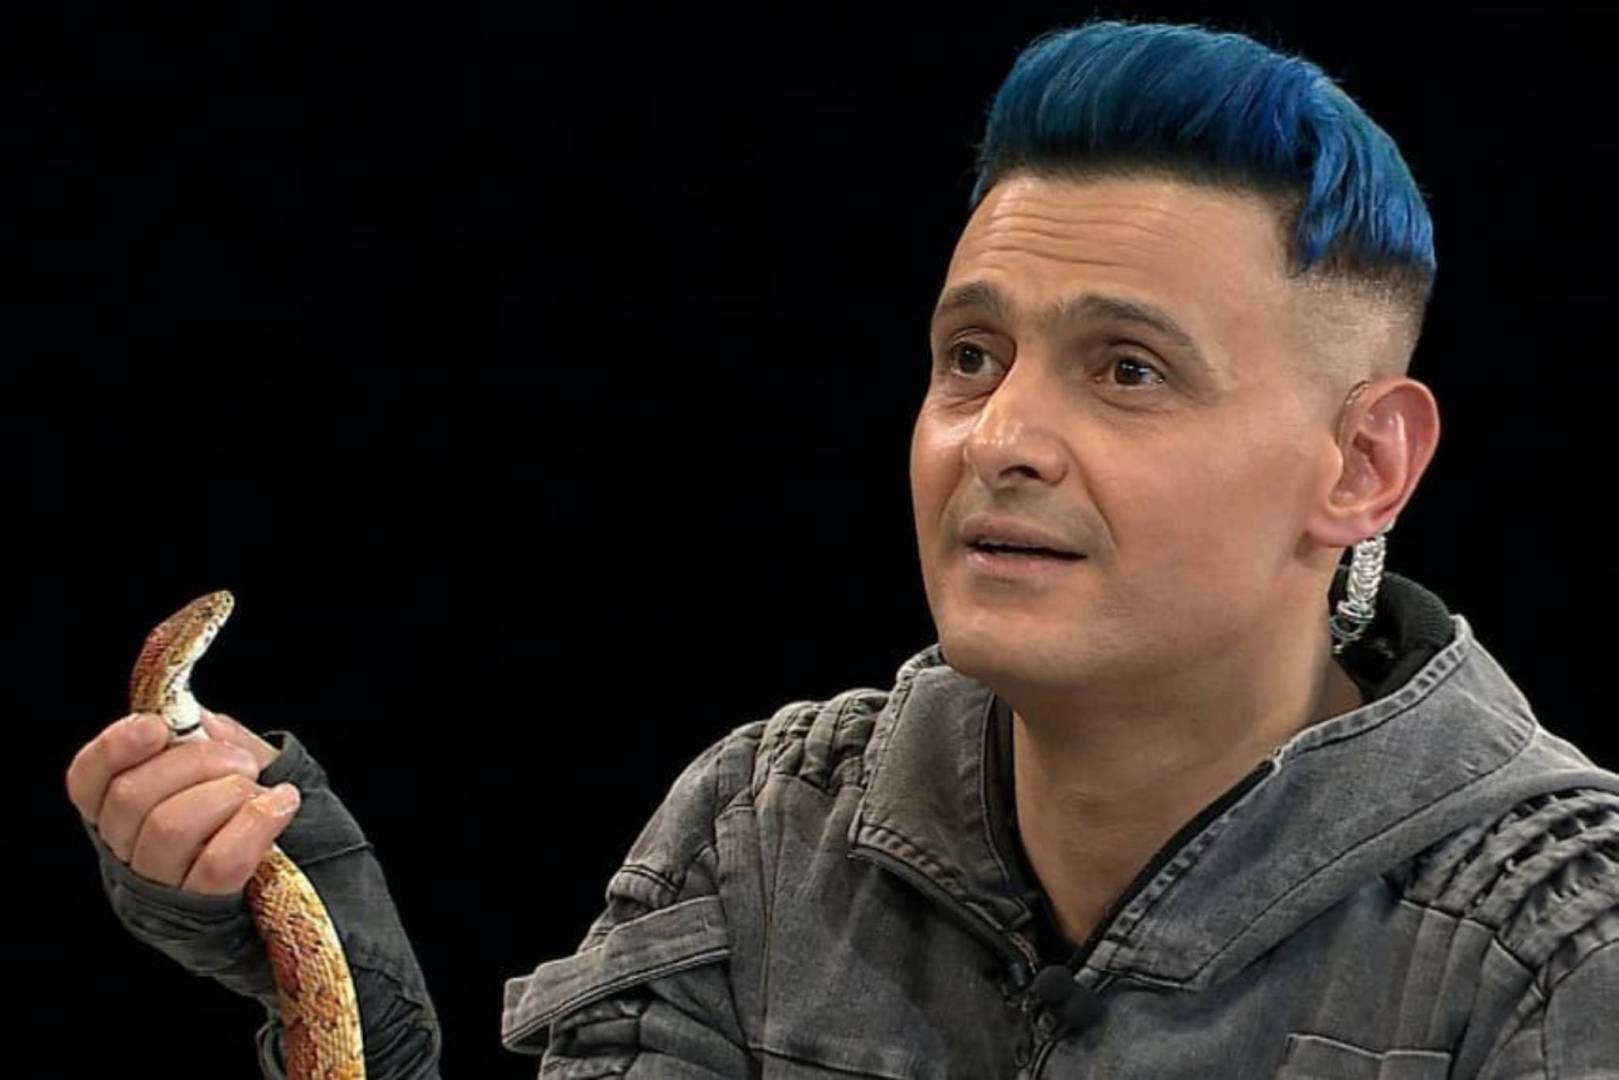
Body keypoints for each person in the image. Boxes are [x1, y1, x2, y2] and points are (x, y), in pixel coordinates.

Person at [66, 19, 1619, 1078]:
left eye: (1128, 370)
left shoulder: (1566, 948)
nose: (999, 436)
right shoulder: (766, 829)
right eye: (971, 355)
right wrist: (349, 999)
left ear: (1362, 465)